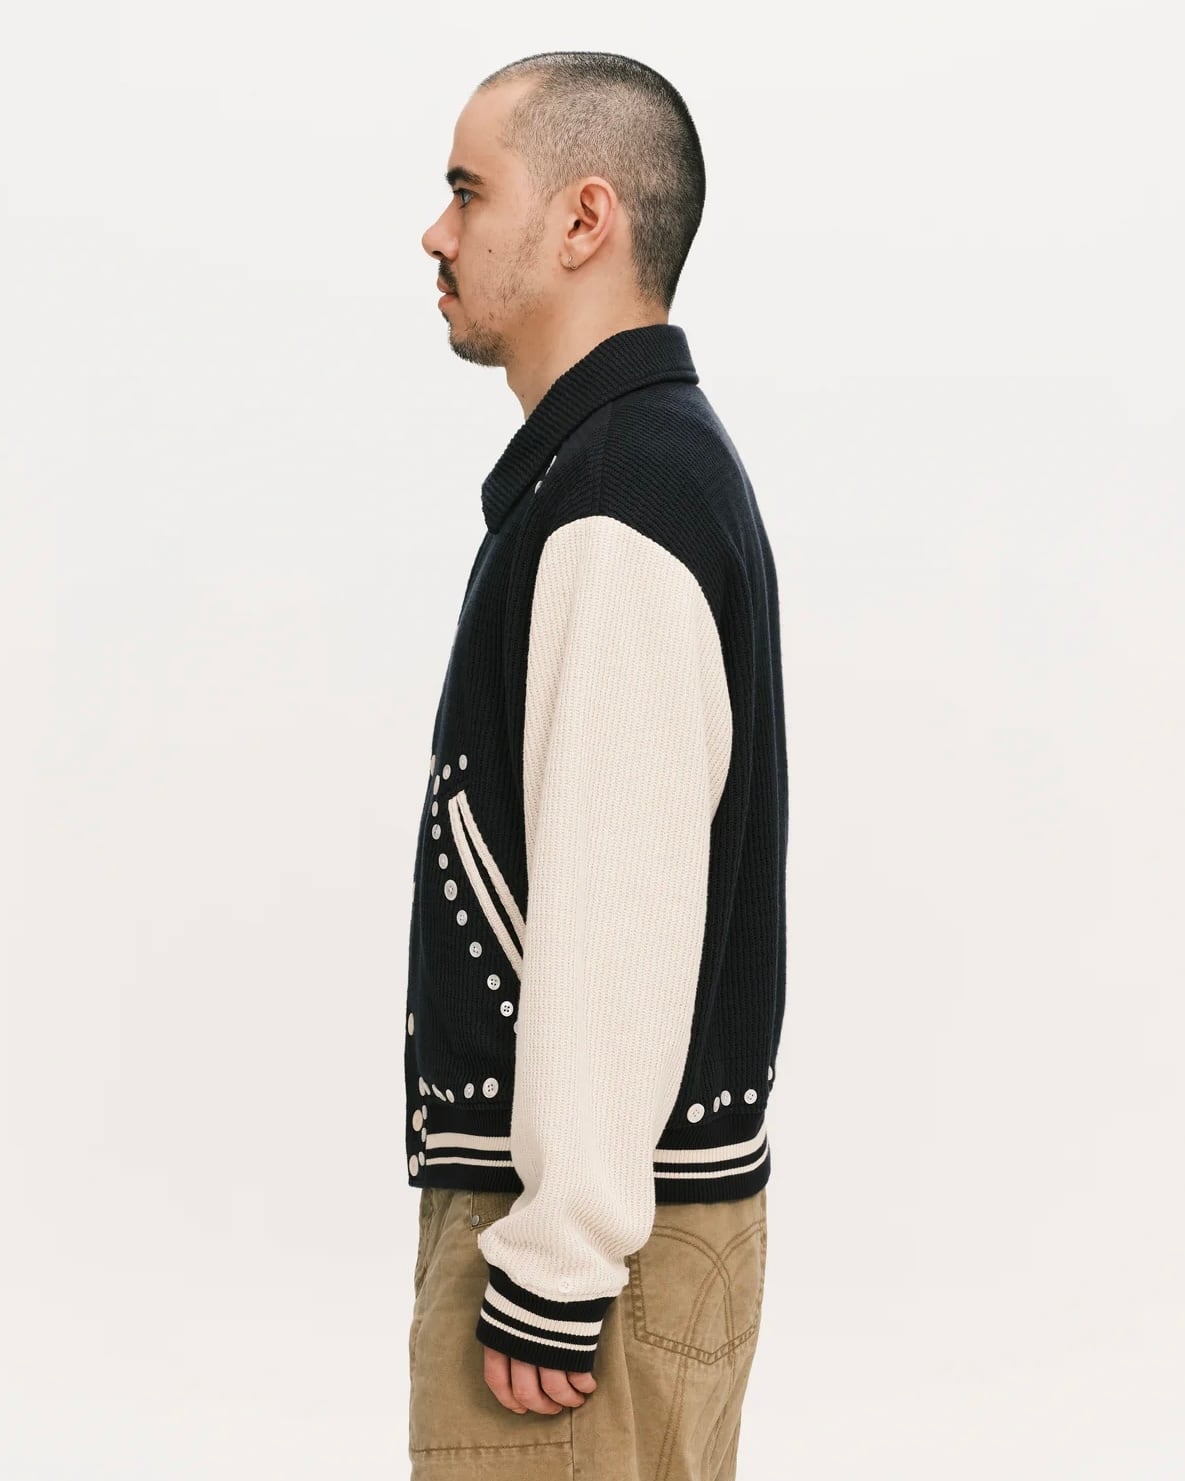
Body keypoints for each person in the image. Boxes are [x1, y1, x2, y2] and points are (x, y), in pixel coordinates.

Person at [407, 50, 788, 1480]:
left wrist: (555, 1266)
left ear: (583, 220)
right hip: (631, 1226)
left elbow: (620, 909)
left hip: (579, 1264)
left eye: (466, 191)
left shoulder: (616, 501)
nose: (435, 232)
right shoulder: (634, 472)